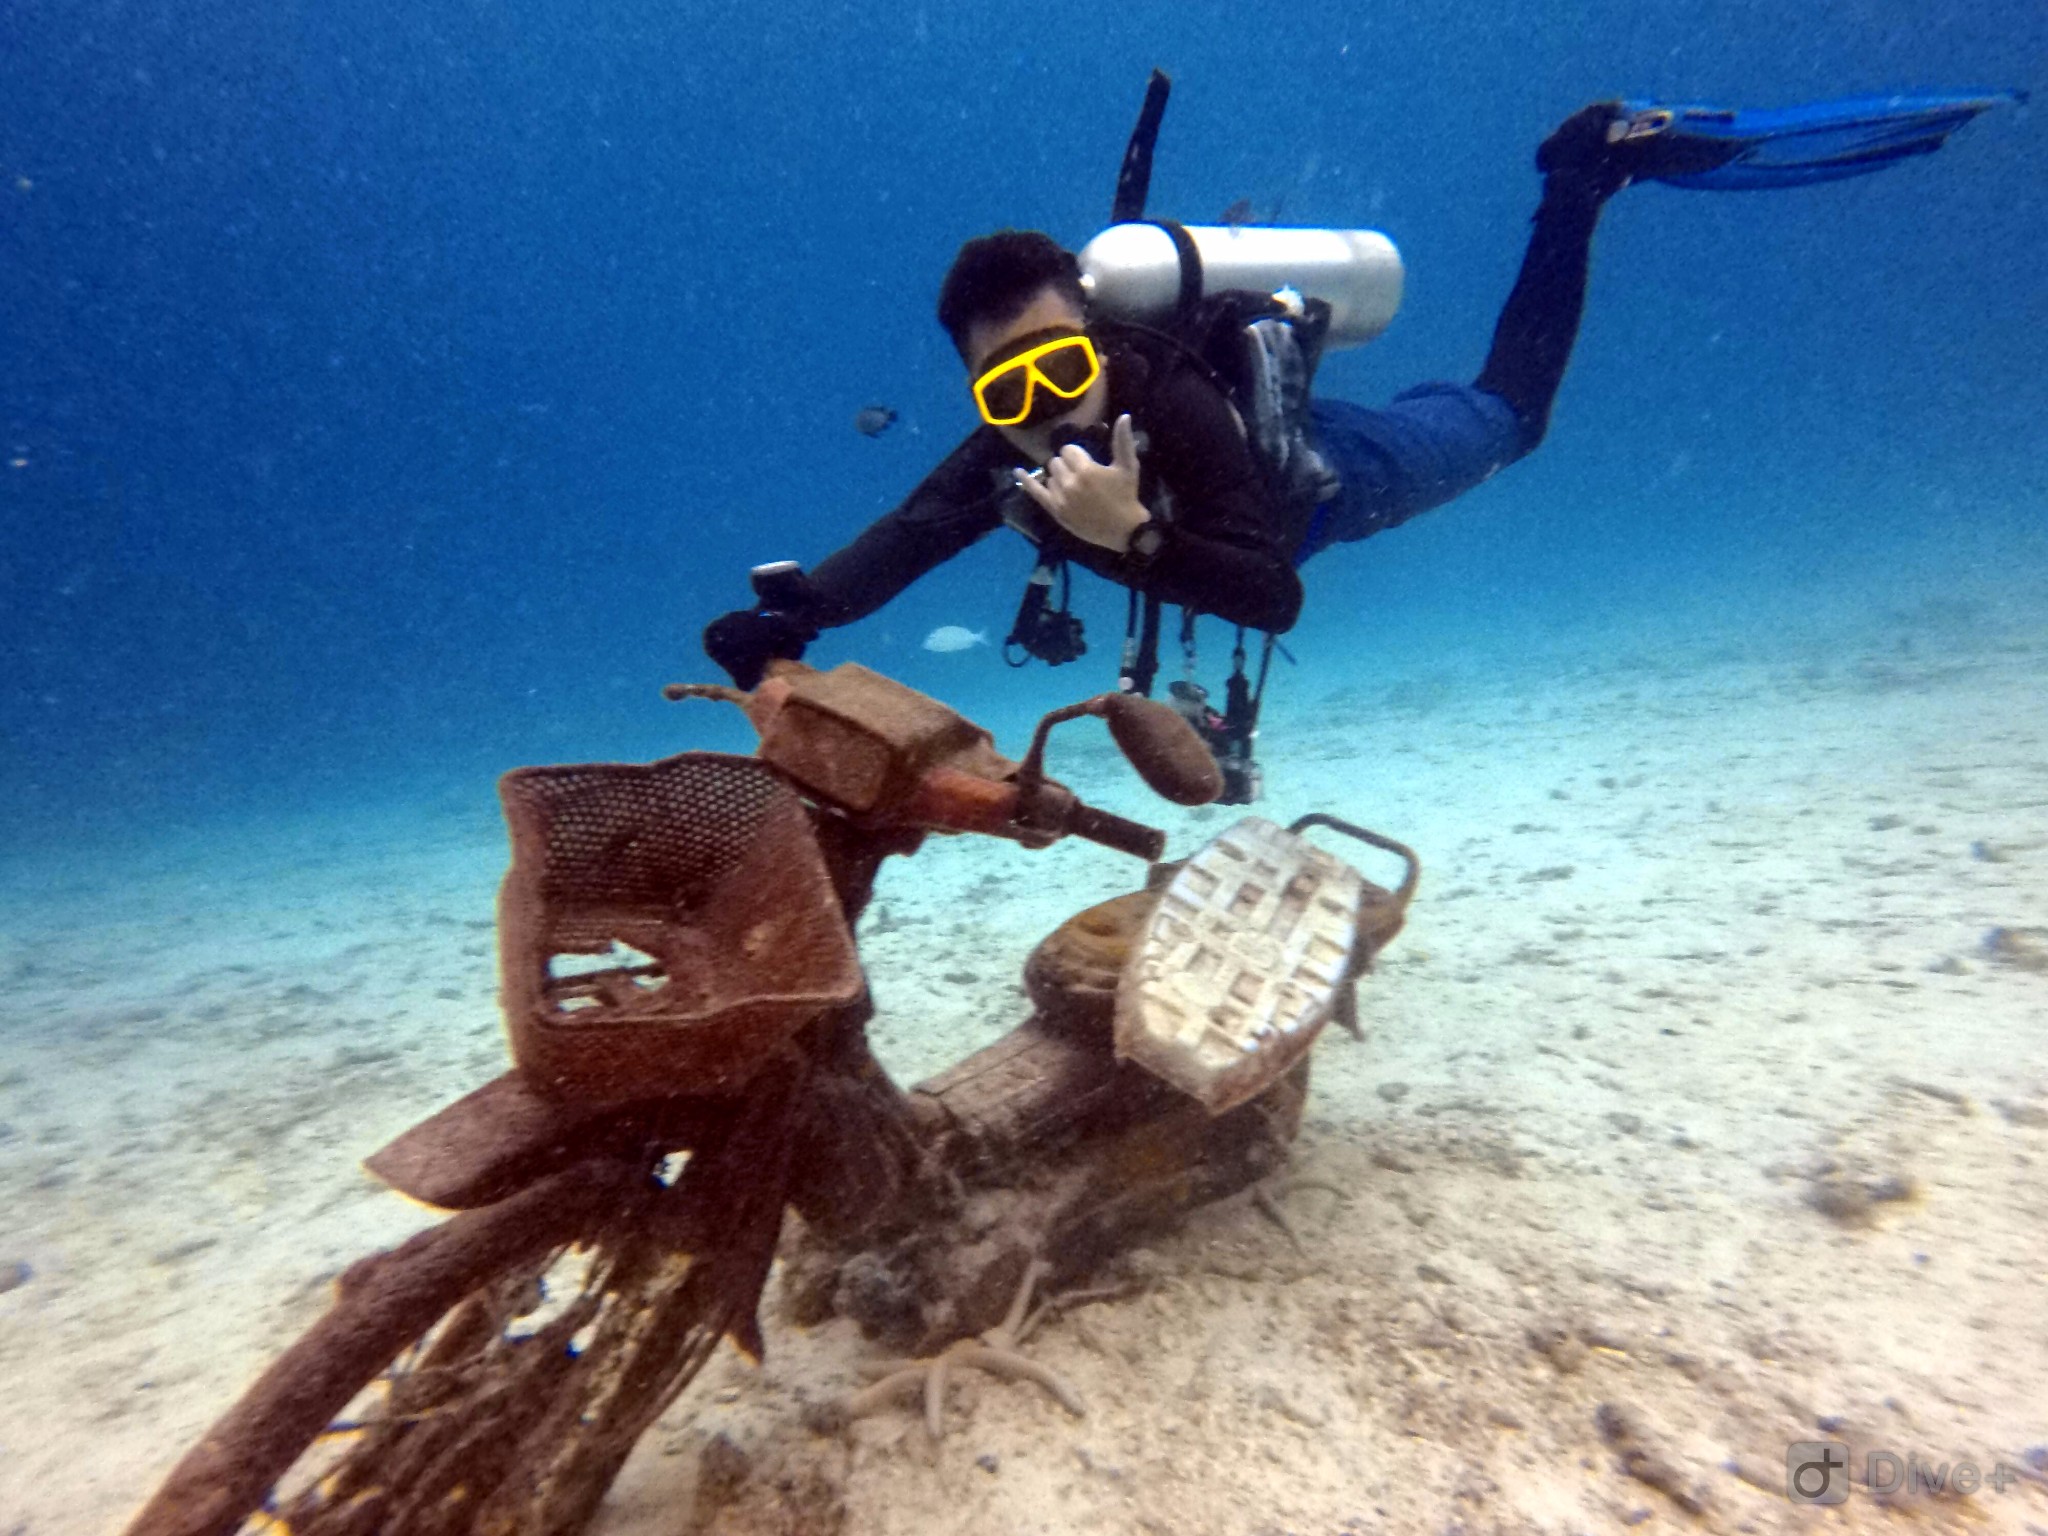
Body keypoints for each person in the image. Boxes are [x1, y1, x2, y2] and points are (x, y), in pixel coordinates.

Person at [702, 92, 2018, 695]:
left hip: (1330, 482)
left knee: (1510, 421)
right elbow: (912, 534)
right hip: (1245, 491)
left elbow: (1270, 588)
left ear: (1104, 340)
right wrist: (802, 616)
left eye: (1064, 366)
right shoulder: (1008, 450)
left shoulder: (1164, 401)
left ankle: (1584, 179)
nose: (1047, 409)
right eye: (1010, 391)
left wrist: (1133, 538)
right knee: (1482, 416)